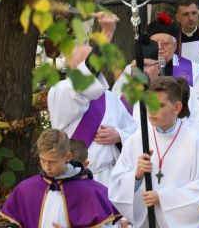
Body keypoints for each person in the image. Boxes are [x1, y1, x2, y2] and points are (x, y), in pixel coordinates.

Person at [108, 77, 199, 227]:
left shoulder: (195, 141)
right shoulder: (138, 139)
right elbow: (116, 186)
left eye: (159, 105)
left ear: (177, 108)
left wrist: (163, 197)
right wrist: (137, 176)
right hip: (146, 223)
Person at [47, 12, 137, 186]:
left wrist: (119, 136)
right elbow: (80, 87)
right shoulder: (60, 92)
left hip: (109, 175)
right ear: (73, 67)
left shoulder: (110, 98)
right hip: (74, 176)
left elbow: (133, 131)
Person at [1, 129, 119, 227]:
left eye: (52, 161)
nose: (47, 166)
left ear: (67, 156)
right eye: (43, 160)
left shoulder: (89, 192)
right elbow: (16, 223)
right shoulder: (26, 189)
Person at [112, 33, 199, 127]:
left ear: (159, 68)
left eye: (146, 65)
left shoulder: (179, 92)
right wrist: (120, 135)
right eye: (136, 67)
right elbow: (116, 126)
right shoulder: (124, 98)